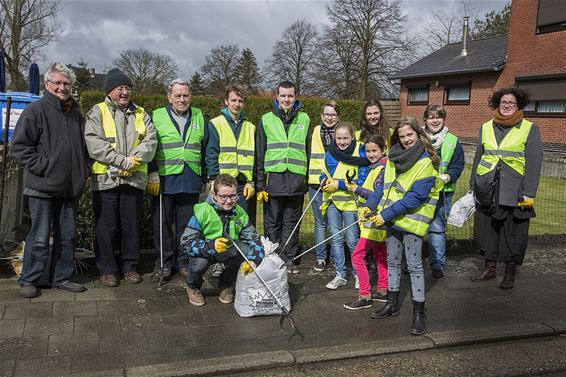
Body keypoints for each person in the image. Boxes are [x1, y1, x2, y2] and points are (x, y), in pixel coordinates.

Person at [10, 63, 91, 298]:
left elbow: (83, 149)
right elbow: (20, 148)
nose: (62, 87)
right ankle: (29, 279)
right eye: (57, 82)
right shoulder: (36, 110)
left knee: (68, 236)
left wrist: (84, 170)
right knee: (39, 236)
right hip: (43, 187)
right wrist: (45, 167)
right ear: (47, 84)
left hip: (70, 188)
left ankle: (61, 277)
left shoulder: (76, 114)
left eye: (66, 83)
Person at [363, 116, 442, 336]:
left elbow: (415, 198)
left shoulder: (425, 162)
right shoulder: (392, 159)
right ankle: (392, 304)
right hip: (391, 220)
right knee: (393, 261)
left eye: (410, 135)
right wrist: (369, 207)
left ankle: (419, 313)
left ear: (418, 135)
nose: (406, 140)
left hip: (411, 221)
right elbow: (382, 189)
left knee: (415, 266)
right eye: (402, 136)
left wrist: (384, 214)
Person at [84, 68, 157, 287]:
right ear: (109, 91)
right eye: (119, 88)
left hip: (133, 180)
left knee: (131, 226)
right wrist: (121, 161)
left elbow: (151, 141)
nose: (124, 92)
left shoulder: (142, 113)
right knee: (106, 228)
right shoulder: (97, 111)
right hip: (106, 181)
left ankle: (130, 267)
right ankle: (107, 269)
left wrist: (134, 160)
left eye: (127, 88)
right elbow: (94, 143)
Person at [470, 88, 542, 289]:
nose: (507, 105)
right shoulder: (485, 127)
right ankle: (489, 267)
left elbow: (535, 162)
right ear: (497, 104)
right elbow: (478, 158)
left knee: (513, 232)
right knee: (487, 230)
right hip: (487, 187)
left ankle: (510, 272)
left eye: (511, 102)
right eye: (503, 102)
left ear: (518, 105)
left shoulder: (529, 128)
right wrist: (472, 187)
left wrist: (529, 192)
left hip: (514, 189)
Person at [146, 79, 208, 281]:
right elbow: (149, 146)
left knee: (186, 226)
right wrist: (152, 171)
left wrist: (206, 177)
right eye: (178, 95)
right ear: (169, 97)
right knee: (162, 224)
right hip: (164, 179)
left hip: (190, 178)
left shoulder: (199, 116)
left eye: (186, 95)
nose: (182, 99)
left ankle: (183, 262)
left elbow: (206, 148)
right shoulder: (156, 116)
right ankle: (164, 263)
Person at [180, 174, 265, 307]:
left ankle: (225, 284)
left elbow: (254, 239)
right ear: (214, 195)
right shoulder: (203, 211)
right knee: (199, 263)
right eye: (223, 196)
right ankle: (192, 286)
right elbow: (186, 242)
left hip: (228, 250)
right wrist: (210, 246)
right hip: (205, 251)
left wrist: (254, 260)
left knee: (245, 251)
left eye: (232, 196)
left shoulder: (240, 213)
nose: (229, 201)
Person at [255, 81, 310, 274]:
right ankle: (272, 257)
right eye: (283, 96)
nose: (287, 99)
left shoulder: (305, 119)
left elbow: (309, 152)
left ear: (296, 97)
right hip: (274, 181)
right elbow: (260, 154)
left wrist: (308, 181)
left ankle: (289, 258)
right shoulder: (266, 120)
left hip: (296, 181)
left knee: (292, 222)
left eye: (290, 96)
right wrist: (260, 184)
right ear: (277, 97)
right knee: (272, 222)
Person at [320, 122, 370, 290]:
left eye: (345, 138)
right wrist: (324, 181)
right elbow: (324, 173)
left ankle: (358, 274)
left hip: (351, 203)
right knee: (336, 239)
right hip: (333, 202)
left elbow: (362, 180)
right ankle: (340, 274)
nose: (342, 142)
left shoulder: (360, 151)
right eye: (339, 138)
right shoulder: (329, 154)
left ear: (353, 137)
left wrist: (338, 184)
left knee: (351, 240)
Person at [343, 133, 389, 309]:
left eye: (374, 150)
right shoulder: (378, 167)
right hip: (376, 219)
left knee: (357, 256)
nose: (371, 154)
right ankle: (383, 290)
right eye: (368, 151)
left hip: (373, 219)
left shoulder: (381, 169)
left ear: (383, 150)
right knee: (380, 254)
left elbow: (377, 195)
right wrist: (356, 187)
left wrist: (357, 189)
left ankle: (365, 295)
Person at [423, 105, 465, 279]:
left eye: (438, 117)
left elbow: (458, 164)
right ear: (425, 119)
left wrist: (448, 177)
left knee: (437, 229)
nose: (435, 120)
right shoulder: (416, 137)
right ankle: (412, 263)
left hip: (442, 193)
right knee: (414, 229)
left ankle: (437, 265)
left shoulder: (453, 141)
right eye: (431, 117)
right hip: (419, 192)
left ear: (443, 119)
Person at [206, 85, 256, 225]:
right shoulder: (215, 124)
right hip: (223, 184)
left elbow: (255, 157)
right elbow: (211, 153)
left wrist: (251, 181)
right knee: (221, 223)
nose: (237, 104)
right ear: (226, 101)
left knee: (244, 223)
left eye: (240, 101)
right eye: (233, 100)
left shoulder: (250, 127)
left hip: (243, 184)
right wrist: (213, 180)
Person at [307, 101, 340, 272]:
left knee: (335, 224)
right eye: (326, 114)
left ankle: (336, 257)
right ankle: (321, 258)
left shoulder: (343, 134)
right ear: (321, 116)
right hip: (316, 184)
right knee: (320, 224)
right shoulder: (312, 132)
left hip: (336, 185)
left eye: (333, 115)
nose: (329, 117)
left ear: (338, 117)